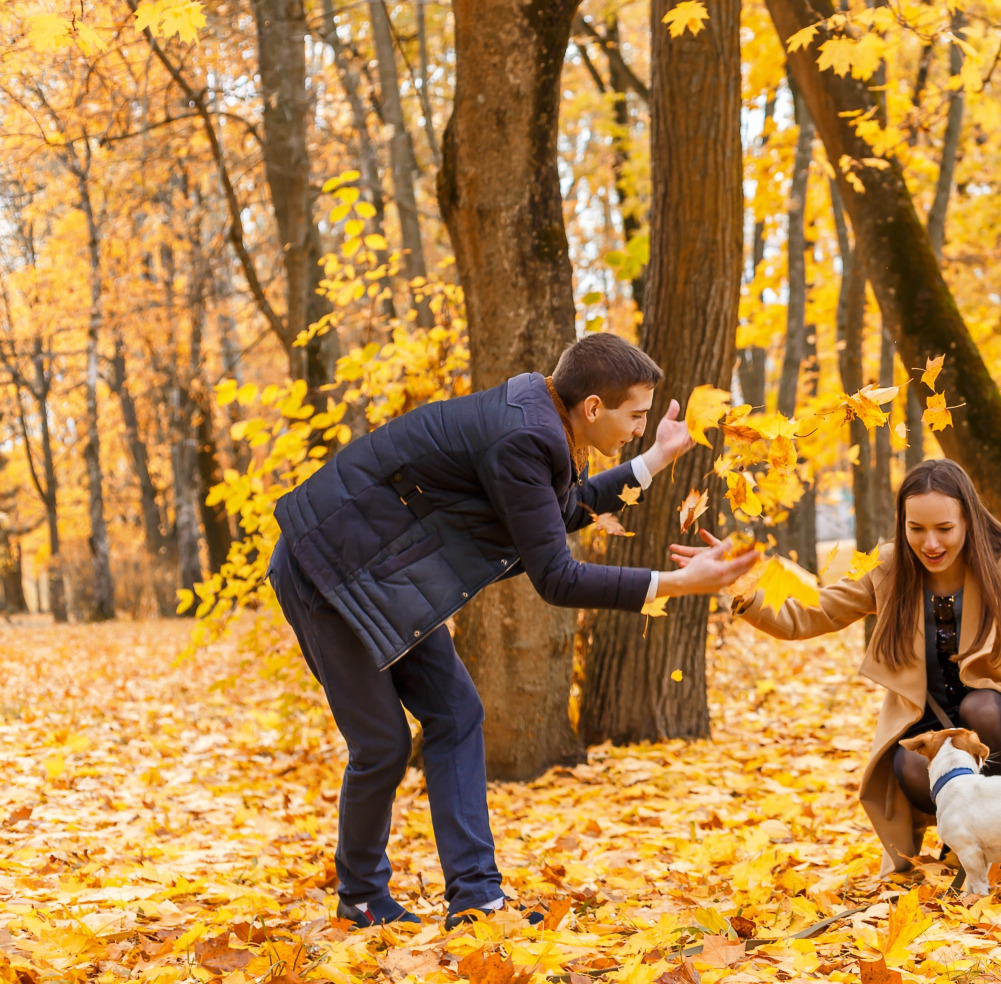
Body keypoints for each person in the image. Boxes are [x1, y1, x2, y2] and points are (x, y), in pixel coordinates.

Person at [266, 333, 758, 929]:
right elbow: (556, 577)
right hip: (326, 567)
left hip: (383, 573)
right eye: (636, 416)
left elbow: (564, 508)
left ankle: (477, 901)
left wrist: (655, 459)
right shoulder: (524, 436)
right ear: (594, 408)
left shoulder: (541, 425)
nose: (639, 427)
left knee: (456, 714)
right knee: (383, 744)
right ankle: (362, 898)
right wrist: (678, 584)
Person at [677, 458, 1001, 876]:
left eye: (944, 529)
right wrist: (739, 587)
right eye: (917, 529)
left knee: (984, 706)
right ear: (902, 525)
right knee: (908, 761)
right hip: (930, 726)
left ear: (968, 521)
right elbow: (808, 615)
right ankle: (967, 841)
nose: (930, 543)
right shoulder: (888, 572)